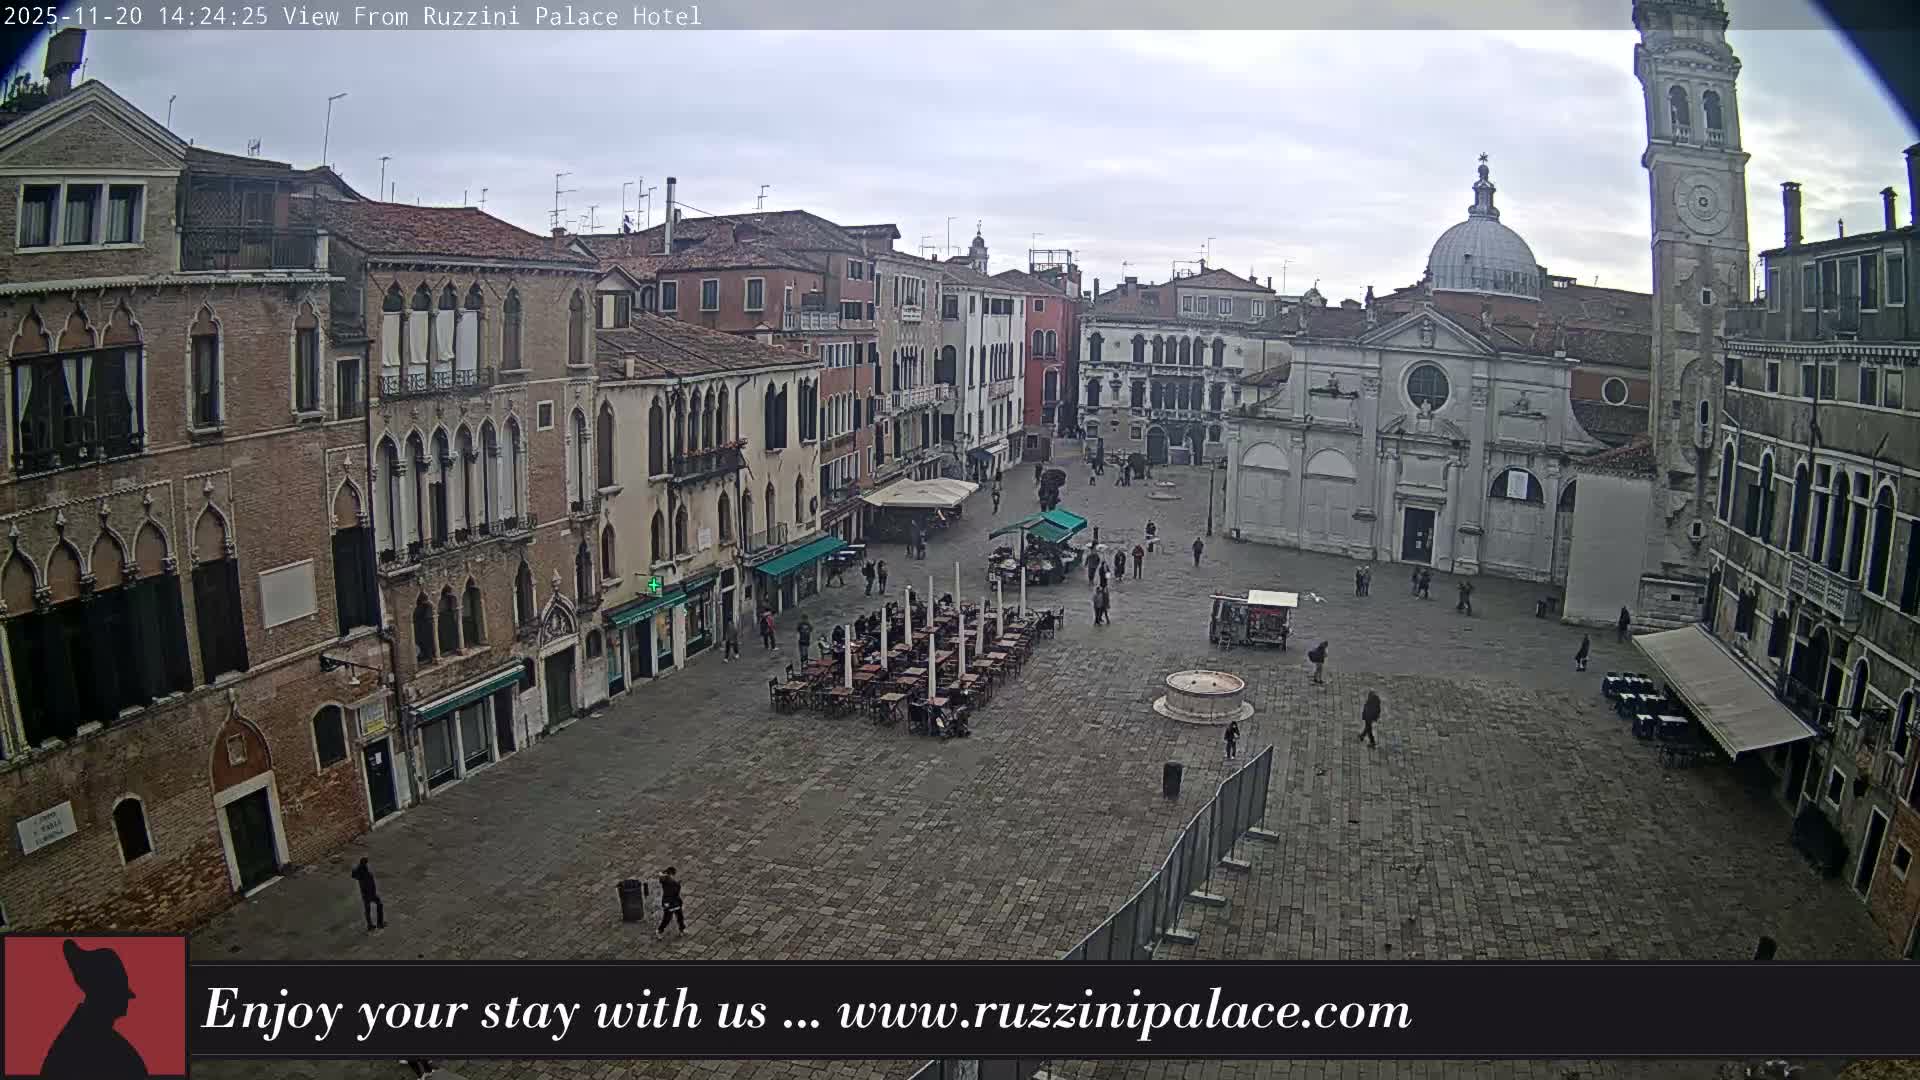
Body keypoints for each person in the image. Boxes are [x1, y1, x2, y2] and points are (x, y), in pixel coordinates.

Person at [43, 940, 148, 1079]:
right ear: (106, 993)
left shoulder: (80, 1035)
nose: (126, 1001)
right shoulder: (92, 1043)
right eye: (120, 992)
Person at [351, 856, 385, 932]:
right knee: (379, 904)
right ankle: (380, 923)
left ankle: (370, 925)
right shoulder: (365, 872)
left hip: (364, 894)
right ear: (365, 863)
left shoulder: (358, 871)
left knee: (367, 910)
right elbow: (370, 883)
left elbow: (353, 874)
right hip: (370, 893)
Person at [657, 867, 686, 935]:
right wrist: (678, 884)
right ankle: (659, 931)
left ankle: (682, 929)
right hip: (670, 902)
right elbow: (662, 877)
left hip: (675, 901)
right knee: (667, 918)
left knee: (680, 916)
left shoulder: (668, 880)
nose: (673, 876)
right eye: (672, 874)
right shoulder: (667, 880)